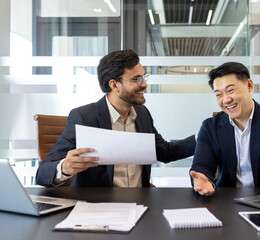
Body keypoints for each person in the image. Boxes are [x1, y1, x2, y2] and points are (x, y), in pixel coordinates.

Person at [36, 49, 196, 188]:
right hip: (100, 208)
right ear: (114, 85)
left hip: (140, 204)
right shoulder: (84, 118)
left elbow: (164, 152)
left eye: (144, 77)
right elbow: (43, 172)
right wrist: (64, 168)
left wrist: (203, 136)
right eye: (136, 79)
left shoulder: (142, 114)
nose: (145, 84)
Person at [190, 62, 260, 196]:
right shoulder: (210, 127)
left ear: (249, 85)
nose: (226, 99)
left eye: (231, 90)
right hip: (226, 203)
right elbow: (201, 168)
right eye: (218, 94)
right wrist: (202, 181)